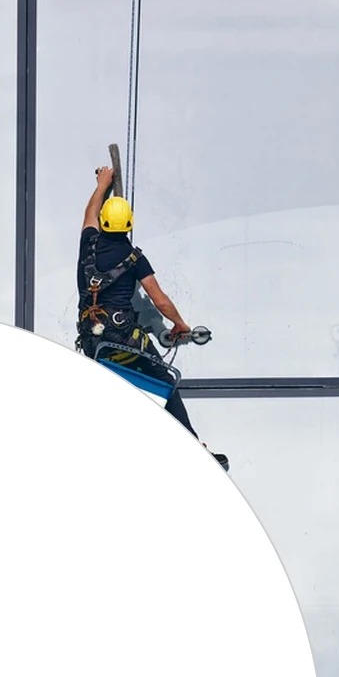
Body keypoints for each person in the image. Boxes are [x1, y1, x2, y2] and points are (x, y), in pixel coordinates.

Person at [76, 166, 226, 469]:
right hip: (125, 340)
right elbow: (159, 299)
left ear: (103, 223)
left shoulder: (88, 245)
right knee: (164, 381)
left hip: (94, 343)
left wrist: (102, 185)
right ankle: (193, 447)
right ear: (129, 225)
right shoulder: (135, 258)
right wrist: (180, 325)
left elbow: (90, 212)